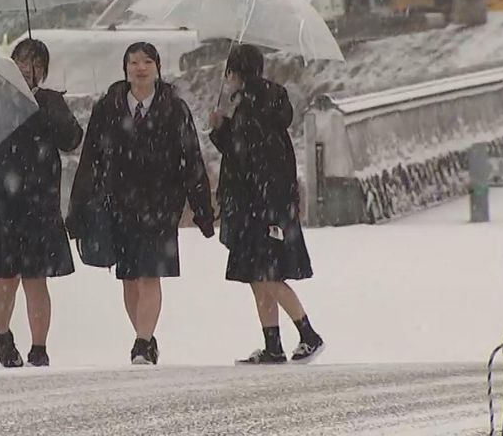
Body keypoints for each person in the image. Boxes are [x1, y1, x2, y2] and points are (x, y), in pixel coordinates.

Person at [68, 42, 215, 366]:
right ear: (125, 69)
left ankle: (142, 342)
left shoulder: (174, 109)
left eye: (147, 61)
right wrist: (77, 209)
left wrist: (202, 208)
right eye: (133, 62)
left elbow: (191, 159)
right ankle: (145, 336)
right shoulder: (108, 108)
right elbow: (90, 159)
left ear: (158, 68)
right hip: (118, 204)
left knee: (150, 274)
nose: (140, 67)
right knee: (130, 278)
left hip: (160, 206)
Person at [208, 44, 324, 364]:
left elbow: (245, 157)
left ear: (234, 73)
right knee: (259, 276)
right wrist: (224, 128)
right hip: (266, 204)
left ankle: (308, 334)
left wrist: (221, 129)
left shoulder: (251, 107)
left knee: (268, 275)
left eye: (229, 73)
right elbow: (252, 152)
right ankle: (272, 344)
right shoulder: (262, 104)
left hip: (258, 206)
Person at [0, 39, 84, 368]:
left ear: (43, 70)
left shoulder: (49, 100)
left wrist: (51, 111)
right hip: (3, 202)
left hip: (41, 202)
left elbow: (72, 140)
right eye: (22, 61)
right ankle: (1, 333)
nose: (28, 68)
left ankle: (39, 347)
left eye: (36, 63)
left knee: (36, 278)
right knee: (6, 276)